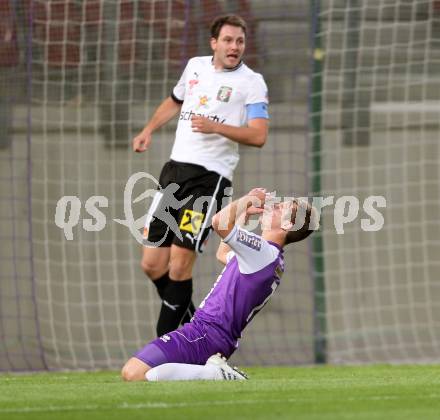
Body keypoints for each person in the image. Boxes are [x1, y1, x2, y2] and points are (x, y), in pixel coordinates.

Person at [132, 14, 269, 337]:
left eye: (240, 41)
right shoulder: (195, 66)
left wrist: (215, 127)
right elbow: (175, 101)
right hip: (174, 173)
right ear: (214, 43)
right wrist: (148, 130)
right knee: (152, 265)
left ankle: (162, 350)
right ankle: (195, 330)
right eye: (228, 40)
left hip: (210, 181)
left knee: (180, 263)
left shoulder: (252, 82)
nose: (234, 46)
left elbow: (258, 135)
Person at [121, 188, 319, 381]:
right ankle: (212, 370)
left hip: (205, 334)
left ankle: (214, 373)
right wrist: (241, 217)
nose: (272, 206)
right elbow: (222, 254)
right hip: (211, 337)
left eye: (279, 208)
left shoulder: (263, 252)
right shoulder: (268, 256)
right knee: (142, 373)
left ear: (286, 225)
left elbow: (218, 222)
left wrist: (247, 200)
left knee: (133, 373)